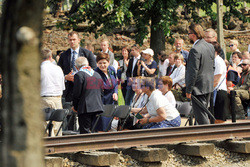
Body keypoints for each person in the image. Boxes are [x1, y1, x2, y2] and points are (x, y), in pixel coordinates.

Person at [185, 23, 215, 125]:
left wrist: (189, 89)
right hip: (208, 84)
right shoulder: (210, 46)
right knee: (204, 111)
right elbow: (212, 66)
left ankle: (208, 135)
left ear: (193, 35)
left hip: (198, 87)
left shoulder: (195, 50)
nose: (188, 36)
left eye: (188, 34)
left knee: (201, 115)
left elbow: (193, 71)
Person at [58, 31, 97, 102]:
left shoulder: (87, 53)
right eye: (70, 40)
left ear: (79, 40)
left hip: (84, 87)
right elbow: (58, 71)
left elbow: (94, 69)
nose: (72, 41)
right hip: (69, 88)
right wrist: (65, 77)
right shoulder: (64, 55)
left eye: (74, 39)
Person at [72, 57, 104, 134]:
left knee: (84, 132)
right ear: (88, 64)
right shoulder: (97, 75)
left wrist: (75, 106)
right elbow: (101, 92)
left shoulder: (79, 75)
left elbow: (76, 93)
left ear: (76, 67)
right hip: (97, 106)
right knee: (93, 130)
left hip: (85, 108)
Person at [41, 48, 65, 136]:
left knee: (45, 126)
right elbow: (62, 86)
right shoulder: (58, 69)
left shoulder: (39, 69)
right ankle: (59, 146)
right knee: (57, 126)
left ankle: (47, 146)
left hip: (44, 98)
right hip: (57, 98)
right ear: (51, 57)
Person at [94, 52, 118, 131]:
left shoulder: (112, 69)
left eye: (104, 63)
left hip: (111, 101)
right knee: (102, 124)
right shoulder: (95, 73)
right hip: (101, 102)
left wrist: (115, 92)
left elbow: (115, 83)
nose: (102, 65)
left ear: (108, 62)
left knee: (109, 124)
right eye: (100, 63)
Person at [211, 42, 229, 123]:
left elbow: (216, 79)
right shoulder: (213, 60)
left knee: (219, 119)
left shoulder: (218, 61)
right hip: (214, 91)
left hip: (219, 92)